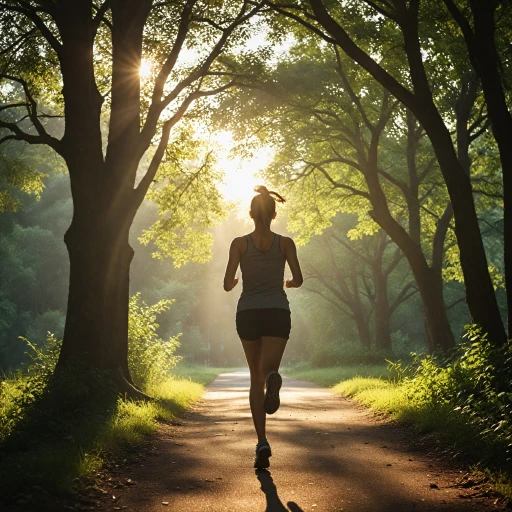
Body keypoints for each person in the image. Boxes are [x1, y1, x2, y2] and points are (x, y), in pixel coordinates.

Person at [223, 185, 303, 469]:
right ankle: (273, 379)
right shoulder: (286, 243)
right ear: (274, 214)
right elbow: (298, 279)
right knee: (267, 370)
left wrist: (233, 284)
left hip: (248, 312)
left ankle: (262, 442)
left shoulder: (239, 243)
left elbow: (227, 282)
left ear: (250, 215)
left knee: (253, 376)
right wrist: (289, 284)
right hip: (277, 312)